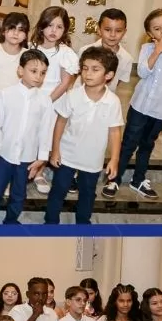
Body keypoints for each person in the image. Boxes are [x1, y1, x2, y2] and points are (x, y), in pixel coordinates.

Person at [102, 8, 162, 200]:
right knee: (128, 143)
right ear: (150, 34)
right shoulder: (147, 49)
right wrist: (157, 52)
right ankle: (114, 179)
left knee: (147, 144)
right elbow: (142, 72)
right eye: (157, 29)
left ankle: (138, 180)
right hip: (140, 106)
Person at [44, 46, 124, 224]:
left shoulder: (112, 102)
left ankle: (83, 225)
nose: (88, 73)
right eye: (85, 68)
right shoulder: (73, 95)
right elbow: (61, 122)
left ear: (109, 75)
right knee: (58, 190)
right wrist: (55, 150)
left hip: (92, 158)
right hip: (67, 154)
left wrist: (114, 159)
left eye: (95, 69)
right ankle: (50, 223)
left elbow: (115, 131)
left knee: (87, 193)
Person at [0, 50, 52, 224]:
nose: (38, 76)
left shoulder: (45, 100)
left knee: (19, 194)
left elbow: (45, 130)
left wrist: (42, 158)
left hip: (27, 158)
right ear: (20, 70)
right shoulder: (6, 94)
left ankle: (11, 222)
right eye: (33, 71)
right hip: (4, 154)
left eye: (42, 73)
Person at [29, 5, 78, 195]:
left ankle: (40, 172)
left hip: (54, 101)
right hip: (33, 95)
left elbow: (65, 82)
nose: (53, 31)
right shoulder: (33, 47)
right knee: (32, 133)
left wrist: (47, 101)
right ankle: (29, 167)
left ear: (65, 30)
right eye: (49, 25)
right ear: (41, 26)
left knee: (47, 137)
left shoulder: (65, 53)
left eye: (59, 27)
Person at [0, 12, 30, 96]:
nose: (16, 33)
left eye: (21, 30)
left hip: (16, 100)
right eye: (12, 28)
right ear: (3, 31)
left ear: (25, 35)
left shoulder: (27, 55)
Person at [86, 8, 134, 93]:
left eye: (118, 31)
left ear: (124, 32)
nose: (112, 35)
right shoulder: (85, 51)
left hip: (105, 99)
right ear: (99, 30)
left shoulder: (127, 59)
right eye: (107, 30)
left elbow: (117, 82)